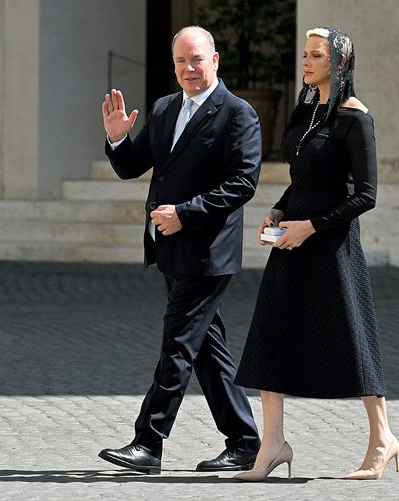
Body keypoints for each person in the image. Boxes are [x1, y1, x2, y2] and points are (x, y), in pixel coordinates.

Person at [233, 27, 399, 482]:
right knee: (272, 331)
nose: (305, 62)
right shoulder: (305, 111)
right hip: (291, 237)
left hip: (332, 243)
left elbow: (365, 195)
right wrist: (281, 207)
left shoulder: (354, 118)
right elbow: (303, 174)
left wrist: (311, 226)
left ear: (338, 62)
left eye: (316, 55)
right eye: (304, 54)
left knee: (353, 337)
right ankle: (273, 444)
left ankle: (383, 438)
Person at [97, 26, 262, 475]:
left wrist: (186, 213)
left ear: (215, 59)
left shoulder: (237, 113)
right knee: (206, 348)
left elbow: (243, 183)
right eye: (180, 62)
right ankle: (246, 443)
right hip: (168, 247)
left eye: (196, 59)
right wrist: (117, 140)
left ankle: (148, 442)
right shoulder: (165, 108)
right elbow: (134, 166)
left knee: (177, 345)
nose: (189, 68)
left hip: (208, 252)